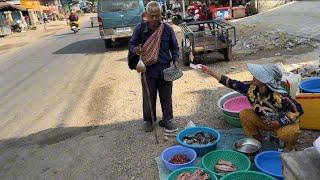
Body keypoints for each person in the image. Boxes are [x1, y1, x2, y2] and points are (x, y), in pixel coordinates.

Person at [201, 64, 304, 150]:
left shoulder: (279, 96)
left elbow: (298, 109)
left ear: (266, 80)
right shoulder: (251, 88)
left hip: (281, 125)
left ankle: (286, 149)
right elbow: (230, 83)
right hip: (264, 122)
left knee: (291, 132)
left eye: (257, 75)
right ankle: (257, 141)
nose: (253, 76)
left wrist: (279, 122)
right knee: (245, 113)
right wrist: (210, 72)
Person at [129, 1, 179, 132]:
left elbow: (174, 47)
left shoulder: (167, 29)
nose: (155, 18)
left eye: (157, 15)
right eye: (152, 16)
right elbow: (131, 46)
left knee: (166, 95)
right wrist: (136, 50)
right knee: (148, 96)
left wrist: (176, 60)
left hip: (165, 69)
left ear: (161, 14)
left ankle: (167, 119)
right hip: (148, 70)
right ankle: (149, 121)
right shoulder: (140, 29)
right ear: (146, 15)